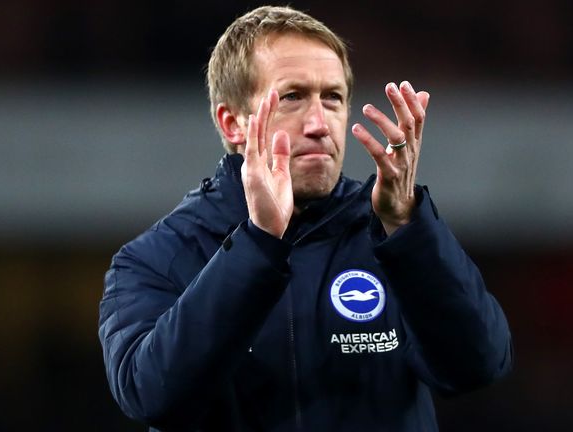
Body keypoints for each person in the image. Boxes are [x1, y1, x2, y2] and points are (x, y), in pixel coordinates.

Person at [98, 5, 512, 431]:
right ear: (232, 123)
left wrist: (407, 227)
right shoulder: (158, 257)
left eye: (332, 98)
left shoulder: (392, 238)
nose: (319, 124)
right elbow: (151, 396)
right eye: (293, 97)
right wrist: (259, 245)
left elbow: (478, 365)